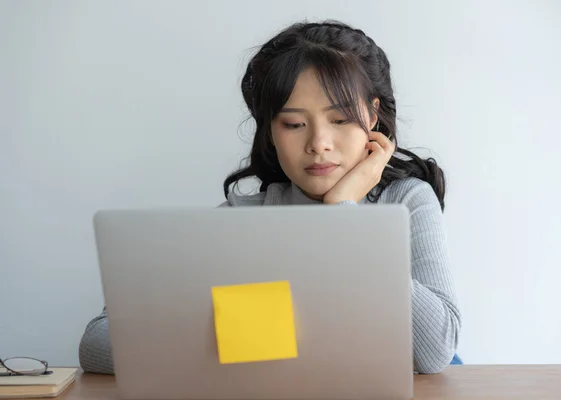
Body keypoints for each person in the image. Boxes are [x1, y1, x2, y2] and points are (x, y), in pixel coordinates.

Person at [79, 20, 461, 375]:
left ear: (373, 116)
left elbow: (435, 350)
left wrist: (344, 216)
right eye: (294, 124)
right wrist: (245, 336)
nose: (319, 144)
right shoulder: (240, 220)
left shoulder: (408, 200)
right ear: (271, 132)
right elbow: (97, 342)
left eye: (341, 120)